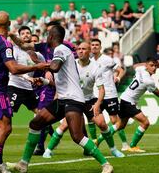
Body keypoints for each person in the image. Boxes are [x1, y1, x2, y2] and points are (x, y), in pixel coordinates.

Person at [7, 25, 114, 173]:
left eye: (48, 33)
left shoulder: (61, 50)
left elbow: (55, 67)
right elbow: (24, 46)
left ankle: (106, 164)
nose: (46, 35)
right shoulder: (49, 48)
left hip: (73, 99)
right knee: (35, 123)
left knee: (77, 136)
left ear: (52, 36)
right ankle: (23, 164)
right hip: (62, 99)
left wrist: (40, 65)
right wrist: (11, 35)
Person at [0, 11, 48, 173]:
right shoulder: (6, 44)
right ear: (9, 23)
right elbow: (13, 68)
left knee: (0, 126)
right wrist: (36, 67)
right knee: (6, 128)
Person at [42, 42, 125, 159]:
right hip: (73, 100)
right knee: (65, 125)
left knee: (102, 123)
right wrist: (57, 95)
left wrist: (97, 104)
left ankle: (113, 149)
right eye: (79, 49)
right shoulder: (72, 65)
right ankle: (48, 150)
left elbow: (101, 89)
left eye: (84, 49)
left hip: (89, 100)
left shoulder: (96, 67)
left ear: (89, 51)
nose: (80, 51)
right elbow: (62, 83)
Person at [114, 58, 159, 152]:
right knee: (145, 122)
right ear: (147, 66)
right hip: (129, 102)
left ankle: (98, 140)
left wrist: (149, 64)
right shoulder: (149, 81)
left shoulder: (141, 69)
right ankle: (133, 146)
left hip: (124, 98)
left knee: (120, 126)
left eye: (155, 66)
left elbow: (135, 66)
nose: (154, 68)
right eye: (152, 65)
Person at [90, 39, 129, 151]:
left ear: (100, 47)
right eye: (92, 45)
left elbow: (121, 70)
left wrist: (117, 78)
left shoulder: (107, 59)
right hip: (96, 94)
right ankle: (94, 143)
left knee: (113, 120)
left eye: (97, 45)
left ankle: (125, 144)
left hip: (109, 93)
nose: (94, 47)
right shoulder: (90, 61)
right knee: (93, 119)